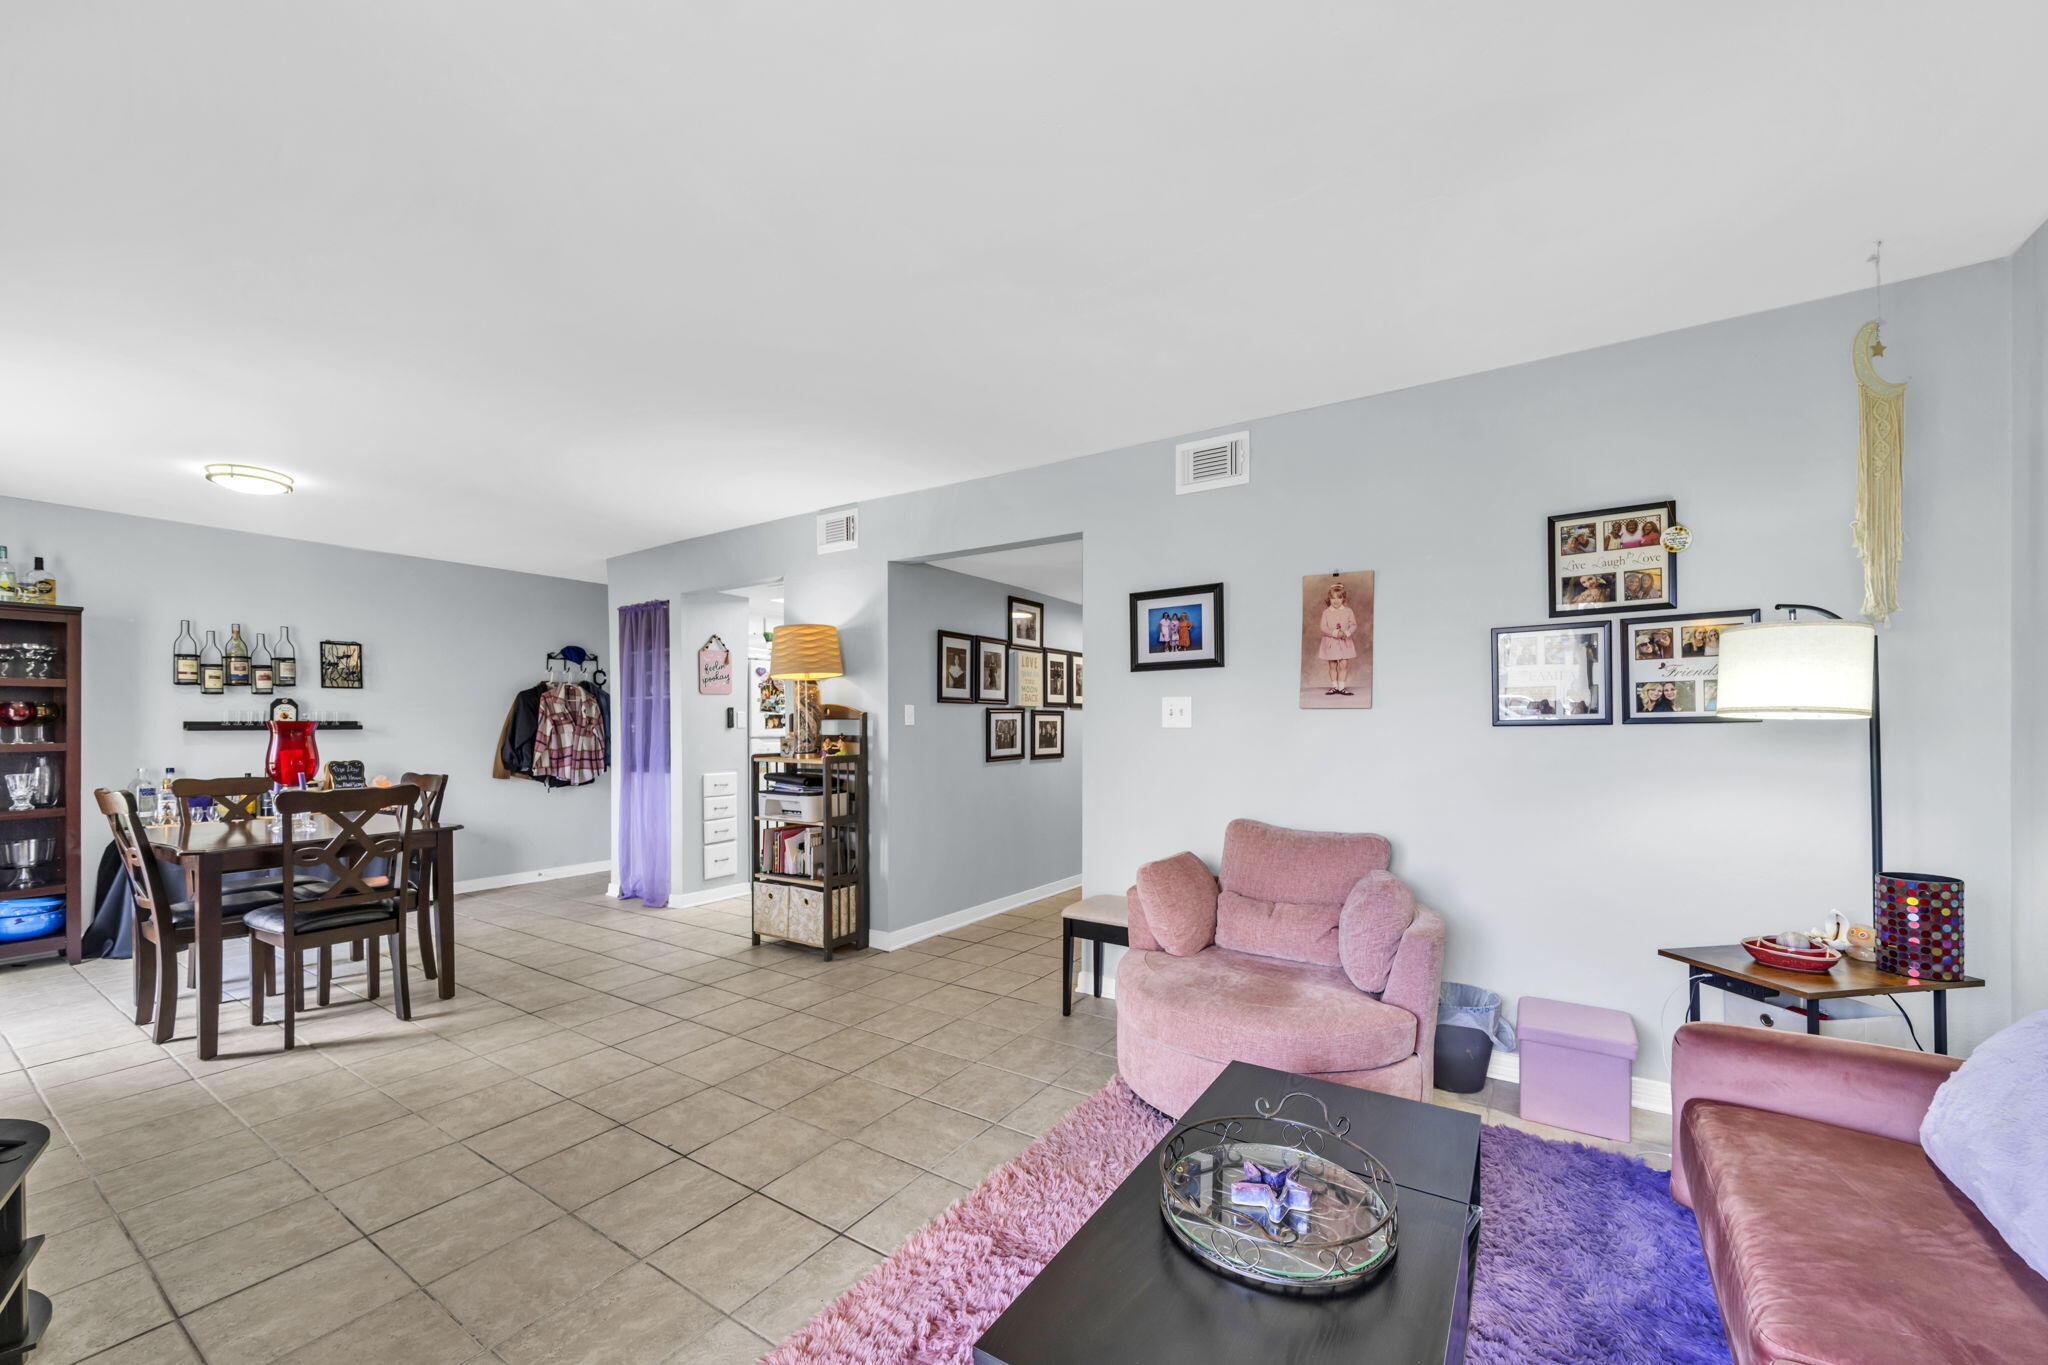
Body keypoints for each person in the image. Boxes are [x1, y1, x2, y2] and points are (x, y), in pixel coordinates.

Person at [1316, 581, 1359, 696]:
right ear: (1329, 599)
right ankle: (1334, 686)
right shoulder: (1326, 612)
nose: (1336, 601)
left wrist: (1346, 632)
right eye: (1333, 598)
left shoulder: (1348, 611)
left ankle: (1342, 687)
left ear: (1343, 598)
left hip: (1345, 642)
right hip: (1331, 643)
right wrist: (1335, 633)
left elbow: (1353, 625)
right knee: (1333, 665)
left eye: (1339, 598)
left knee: (1344, 664)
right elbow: (1323, 627)